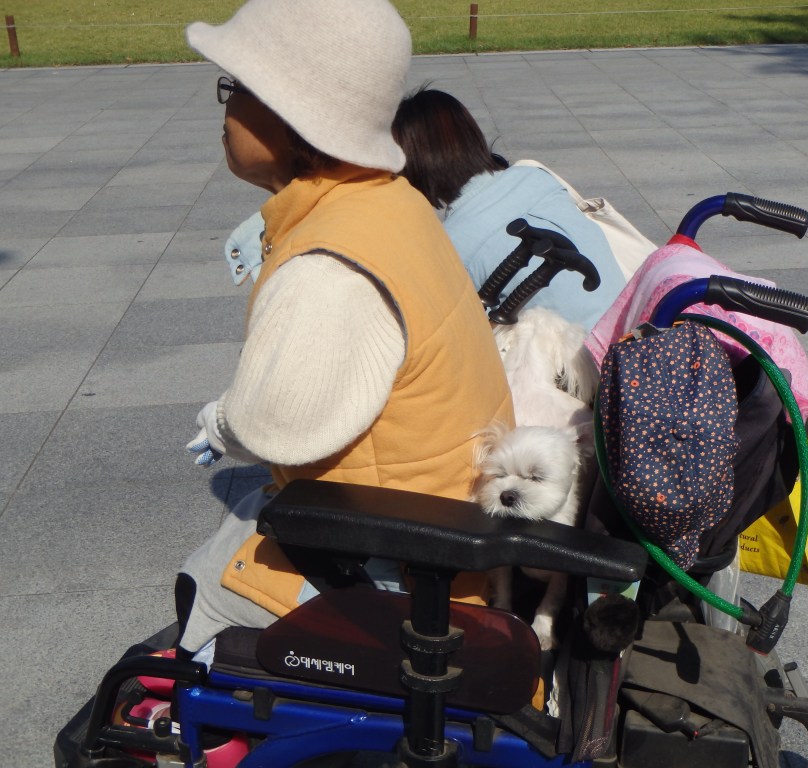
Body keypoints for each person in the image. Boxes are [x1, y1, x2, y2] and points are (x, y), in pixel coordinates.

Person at [174, 0, 514, 657]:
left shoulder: (330, 264)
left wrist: (221, 421)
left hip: (393, 567)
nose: (224, 106)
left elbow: (280, 423)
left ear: (290, 110)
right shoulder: (390, 201)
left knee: (200, 603)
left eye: (235, 87)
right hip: (446, 528)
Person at [392, 88, 627, 331]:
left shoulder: (451, 243)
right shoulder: (536, 177)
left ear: (412, 166)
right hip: (627, 330)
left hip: (577, 363)